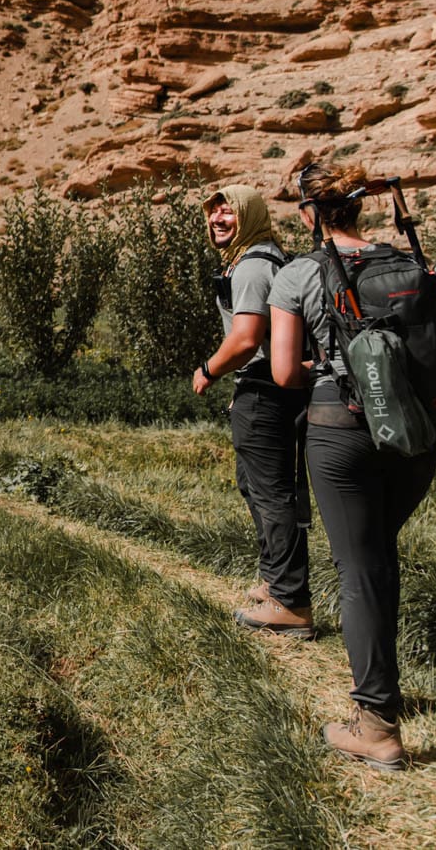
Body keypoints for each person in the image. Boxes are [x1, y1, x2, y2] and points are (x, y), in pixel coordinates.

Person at [268, 161, 436, 772]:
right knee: (377, 559)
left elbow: (286, 372)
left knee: (360, 569)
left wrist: (331, 365)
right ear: (359, 207)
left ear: (309, 214)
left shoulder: (298, 274)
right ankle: (384, 686)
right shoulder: (406, 262)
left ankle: (376, 723)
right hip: (416, 438)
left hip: (342, 436)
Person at [195, 184, 311, 639]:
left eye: (228, 211)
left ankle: (291, 602)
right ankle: (274, 580)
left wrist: (209, 369)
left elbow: (246, 339)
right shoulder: (263, 258)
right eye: (212, 213)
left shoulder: (254, 266)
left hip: (266, 388)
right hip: (265, 386)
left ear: (250, 214)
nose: (217, 219)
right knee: (258, 485)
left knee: (270, 491)